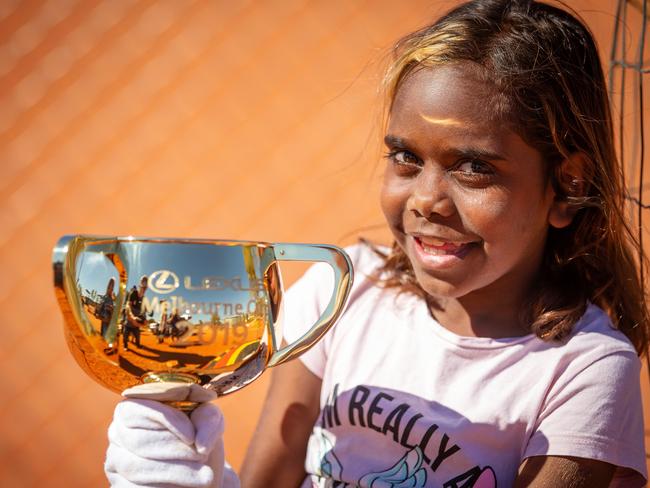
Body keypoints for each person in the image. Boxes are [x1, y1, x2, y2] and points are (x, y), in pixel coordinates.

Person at [104, 1, 649, 486]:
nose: (427, 201)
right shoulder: (339, 296)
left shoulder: (586, 368)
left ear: (568, 186)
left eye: (474, 167)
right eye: (407, 158)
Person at [122, 276, 148, 351]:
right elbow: (128, 306)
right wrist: (132, 317)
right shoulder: (134, 293)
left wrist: (144, 322)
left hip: (136, 324)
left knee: (138, 337)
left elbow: (143, 313)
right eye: (143, 281)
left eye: (146, 282)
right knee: (125, 336)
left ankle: (138, 345)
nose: (144, 284)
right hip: (128, 322)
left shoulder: (144, 300)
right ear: (140, 283)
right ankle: (125, 346)